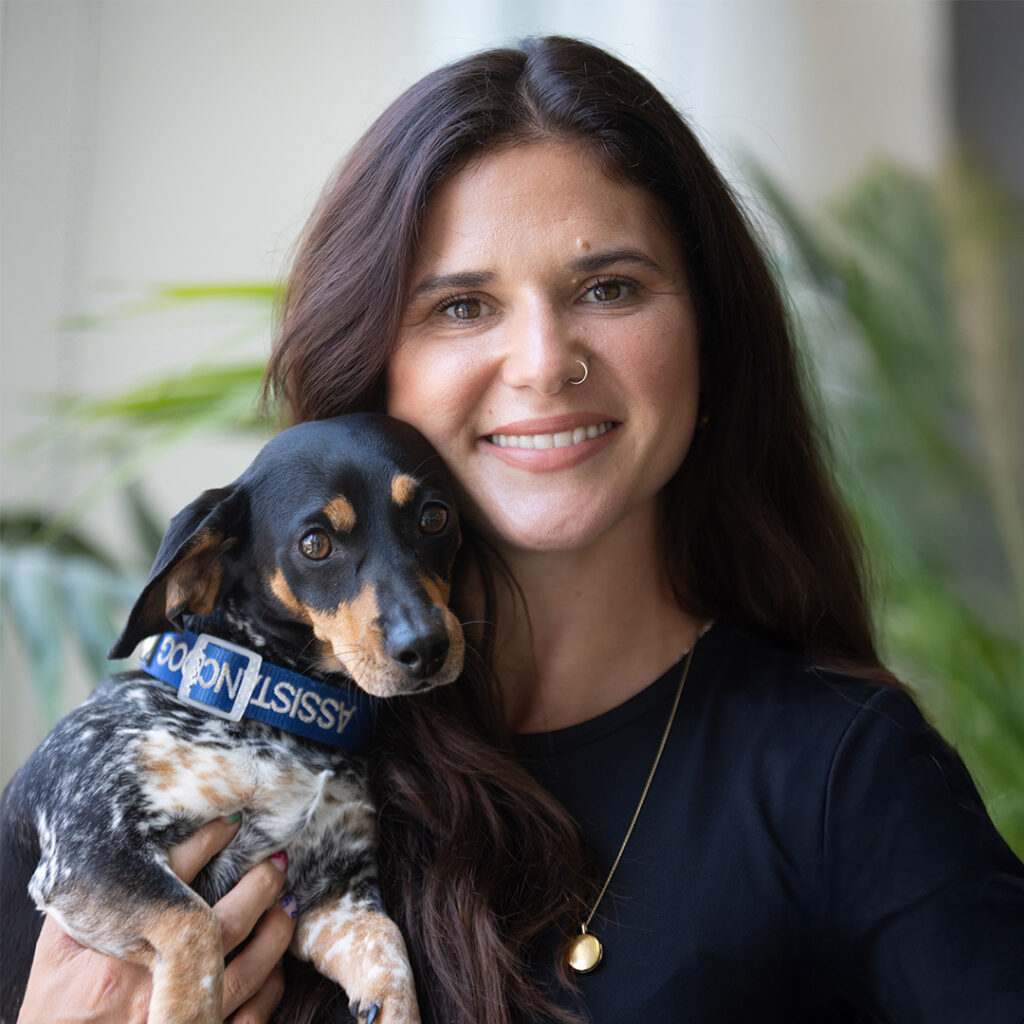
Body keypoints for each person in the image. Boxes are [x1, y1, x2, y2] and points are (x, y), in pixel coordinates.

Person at [17, 35, 1024, 1024]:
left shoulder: (847, 776)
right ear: (374, 375)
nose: (545, 361)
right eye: (462, 306)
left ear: (708, 343)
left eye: (610, 287)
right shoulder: (226, 753)